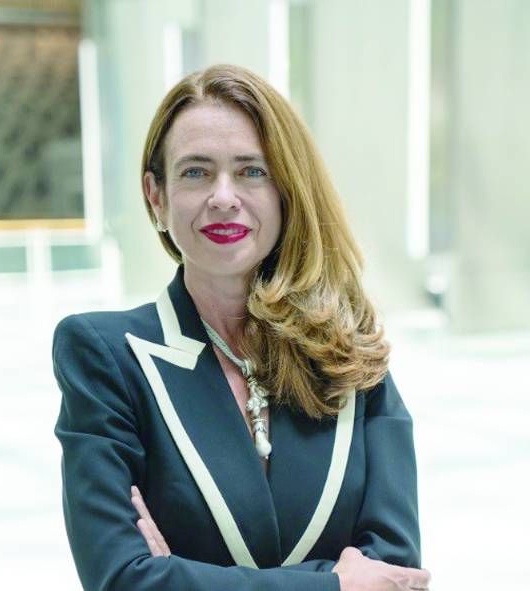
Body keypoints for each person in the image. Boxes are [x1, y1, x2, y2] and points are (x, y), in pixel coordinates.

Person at [53, 64, 431, 591]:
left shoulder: (349, 349)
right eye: (195, 172)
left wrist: (180, 576)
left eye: (252, 171)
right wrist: (335, 584)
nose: (223, 197)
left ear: (287, 190)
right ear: (157, 196)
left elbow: (394, 574)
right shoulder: (107, 356)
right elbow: (122, 579)